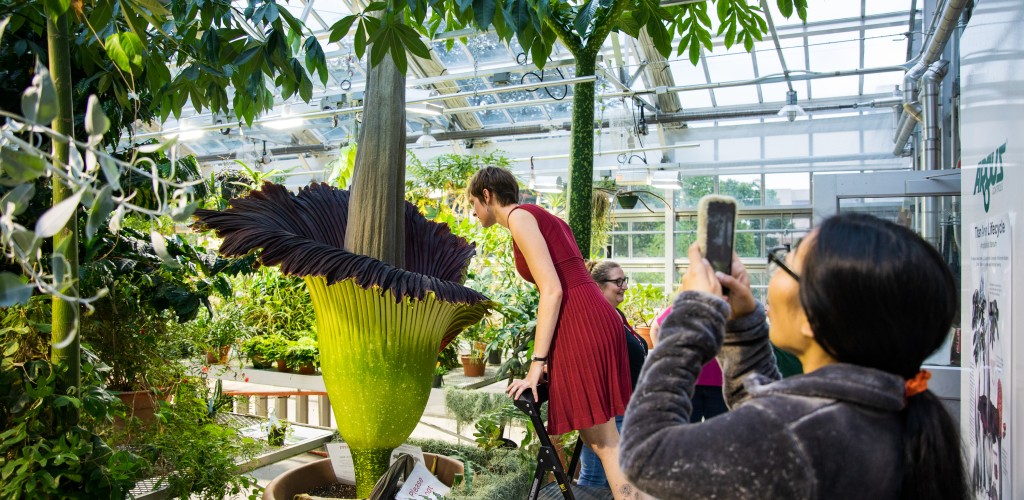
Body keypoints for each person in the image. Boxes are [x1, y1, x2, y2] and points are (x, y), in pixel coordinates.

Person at [619, 212, 967, 499]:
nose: (771, 277)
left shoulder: (794, 435)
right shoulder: (889, 413)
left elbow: (645, 455)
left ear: (813, 319)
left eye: (785, 265)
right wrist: (743, 328)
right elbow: (767, 415)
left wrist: (692, 315)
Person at [468, 167, 640, 499]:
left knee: (605, 443)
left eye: (473, 202)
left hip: (581, 320)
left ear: (487, 195)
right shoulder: (544, 216)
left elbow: (553, 291)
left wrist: (536, 365)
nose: (473, 212)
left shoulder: (519, 217)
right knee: (601, 439)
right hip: (593, 316)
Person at [577, 260, 648, 488]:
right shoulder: (594, 320)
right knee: (595, 481)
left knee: (619, 481)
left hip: (627, 412)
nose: (624, 286)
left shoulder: (616, 316)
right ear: (597, 287)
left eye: (624, 280)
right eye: (617, 281)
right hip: (608, 414)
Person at [650, 305, 727, 422]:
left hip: (719, 383)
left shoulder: (727, 310)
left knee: (719, 432)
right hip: (689, 382)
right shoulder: (683, 306)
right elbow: (655, 328)